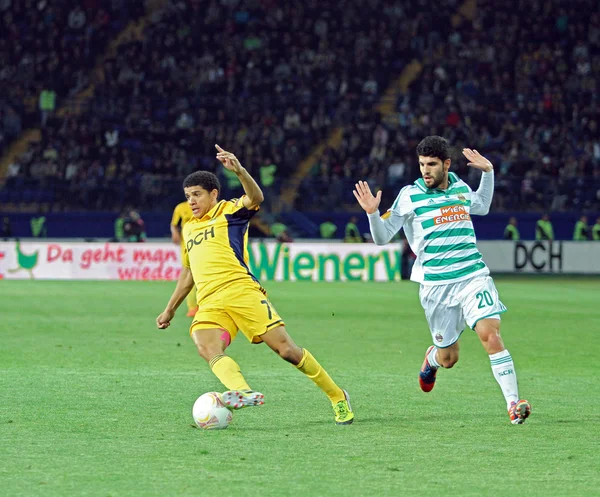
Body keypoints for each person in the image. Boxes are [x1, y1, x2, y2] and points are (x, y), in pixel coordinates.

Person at [156, 145, 353, 425]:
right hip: (210, 302)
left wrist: (240, 171)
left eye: (197, 195)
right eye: (188, 196)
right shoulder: (189, 228)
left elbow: (256, 196)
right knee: (206, 345)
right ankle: (241, 390)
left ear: (214, 194)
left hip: (241, 292)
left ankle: (337, 396)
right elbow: (188, 273)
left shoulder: (230, 212)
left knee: (287, 350)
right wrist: (170, 309)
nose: (192, 202)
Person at [353, 136, 531, 425]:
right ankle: (432, 359)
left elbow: (483, 205)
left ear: (446, 164)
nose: (426, 170)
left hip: (473, 276)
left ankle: (513, 404)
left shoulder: (460, 187)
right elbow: (382, 237)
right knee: (449, 358)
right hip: (436, 287)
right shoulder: (409, 196)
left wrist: (488, 173)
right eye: (422, 164)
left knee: (491, 335)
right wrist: (373, 213)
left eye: (432, 164)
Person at [170, 200, 198, 317]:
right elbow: (174, 224)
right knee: (190, 275)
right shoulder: (181, 208)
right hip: (186, 246)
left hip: (206, 244)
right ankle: (192, 307)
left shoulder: (207, 206)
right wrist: (174, 233)